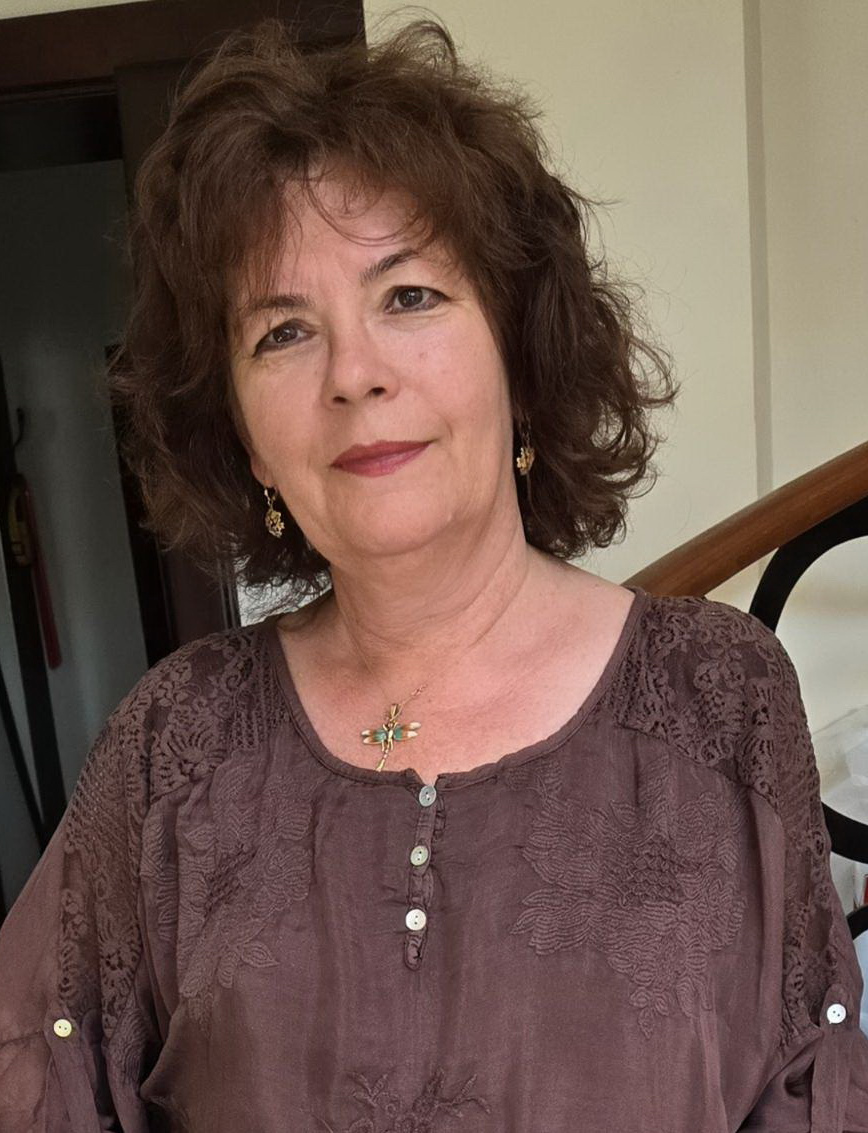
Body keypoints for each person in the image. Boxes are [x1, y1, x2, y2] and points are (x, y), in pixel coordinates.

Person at [1, 16, 866, 1132]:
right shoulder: (174, 744)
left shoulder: (719, 696)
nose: (355, 373)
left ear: (519, 350)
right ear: (247, 440)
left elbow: (814, 1084)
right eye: (282, 332)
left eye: (408, 295)